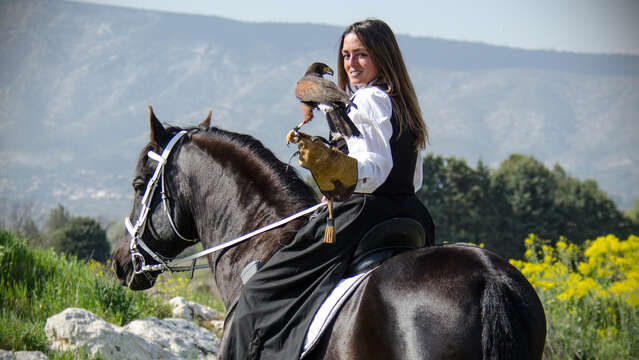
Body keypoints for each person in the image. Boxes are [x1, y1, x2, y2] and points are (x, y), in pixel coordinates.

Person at [221, 18, 435, 360]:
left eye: (362, 54)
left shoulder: (367, 100)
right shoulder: (401, 103)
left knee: (259, 292)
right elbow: (413, 177)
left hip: (362, 216)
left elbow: (377, 169)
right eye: (347, 55)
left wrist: (335, 171)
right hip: (411, 214)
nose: (351, 63)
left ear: (383, 57)